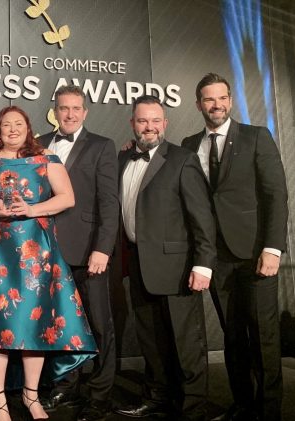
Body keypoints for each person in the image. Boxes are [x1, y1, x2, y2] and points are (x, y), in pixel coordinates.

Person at [0, 106, 98, 421]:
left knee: (35, 324)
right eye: (6, 124)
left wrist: (31, 209)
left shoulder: (46, 157)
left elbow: (67, 197)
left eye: (19, 124)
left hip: (36, 255)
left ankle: (31, 396)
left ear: (28, 128)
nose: (13, 129)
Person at [181, 73, 288, 421]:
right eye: (209, 99)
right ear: (199, 104)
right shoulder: (188, 144)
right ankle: (242, 405)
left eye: (222, 98)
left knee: (264, 337)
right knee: (233, 337)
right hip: (216, 257)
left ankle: (268, 411)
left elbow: (276, 195)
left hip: (255, 255)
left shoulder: (256, 137)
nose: (217, 105)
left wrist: (273, 248)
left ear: (230, 100)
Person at [113, 95, 216, 421]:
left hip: (177, 267)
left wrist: (203, 264)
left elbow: (202, 218)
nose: (150, 126)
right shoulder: (123, 158)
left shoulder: (183, 159)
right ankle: (156, 397)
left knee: (187, 344)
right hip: (138, 264)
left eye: (156, 120)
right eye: (143, 120)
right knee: (151, 340)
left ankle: (193, 409)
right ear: (132, 123)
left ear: (165, 123)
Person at [37, 85, 120, 421]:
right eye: (63, 108)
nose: (69, 114)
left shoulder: (102, 145)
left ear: (84, 112)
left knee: (99, 323)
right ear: (55, 111)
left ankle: (100, 394)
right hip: (47, 250)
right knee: (60, 323)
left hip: (88, 251)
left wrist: (102, 248)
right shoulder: (39, 144)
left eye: (75, 108)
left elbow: (109, 203)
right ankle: (66, 385)